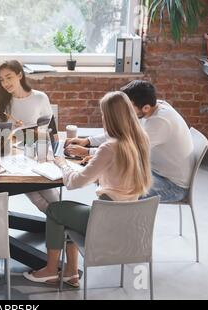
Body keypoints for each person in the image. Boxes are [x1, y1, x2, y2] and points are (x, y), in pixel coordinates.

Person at [23, 91, 152, 286]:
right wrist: (98, 163)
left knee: (56, 210)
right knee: (66, 212)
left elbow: (74, 183)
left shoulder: (110, 148)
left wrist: (61, 163)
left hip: (105, 222)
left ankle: (51, 270)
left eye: (103, 114)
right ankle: (70, 273)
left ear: (110, 117)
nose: (102, 118)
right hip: (128, 222)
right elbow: (120, 169)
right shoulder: (140, 140)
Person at [64, 80, 193, 202]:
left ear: (146, 108)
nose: (125, 111)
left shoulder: (160, 122)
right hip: (153, 170)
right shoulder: (150, 107)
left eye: (128, 107)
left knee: (117, 189)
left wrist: (89, 152)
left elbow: (126, 148)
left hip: (171, 184)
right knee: (110, 177)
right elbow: (123, 132)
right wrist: (88, 141)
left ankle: (116, 222)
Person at [0, 60, 58, 212]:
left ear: (20, 75)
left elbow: (51, 130)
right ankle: (61, 223)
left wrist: (55, 153)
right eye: (2, 80)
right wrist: (12, 131)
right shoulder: (3, 104)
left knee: (48, 192)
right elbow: (0, 139)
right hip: (15, 158)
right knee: (35, 196)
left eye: (9, 77)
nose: (5, 83)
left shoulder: (40, 98)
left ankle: (62, 223)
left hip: (38, 153)